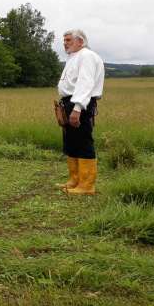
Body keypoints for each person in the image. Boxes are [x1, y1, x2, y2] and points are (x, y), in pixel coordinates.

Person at [56, 30, 104, 194]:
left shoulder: (87, 56)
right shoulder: (74, 57)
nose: (65, 43)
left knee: (83, 142)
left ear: (80, 41)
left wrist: (77, 108)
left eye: (69, 40)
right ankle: (74, 180)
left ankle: (86, 185)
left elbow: (85, 83)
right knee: (71, 141)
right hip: (69, 102)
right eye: (64, 40)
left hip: (80, 103)